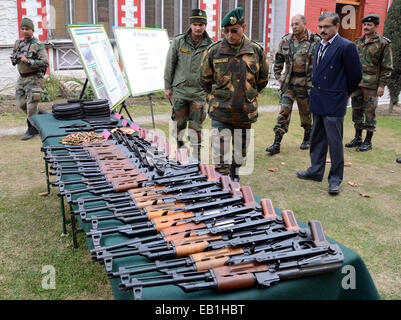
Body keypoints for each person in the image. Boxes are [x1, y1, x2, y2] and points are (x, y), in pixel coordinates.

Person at [296, 12, 362, 195]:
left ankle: (335, 179)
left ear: (337, 26)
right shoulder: (319, 45)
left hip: (334, 101)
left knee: (334, 143)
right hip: (318, 99)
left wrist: (343, 93)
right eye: (320, 27)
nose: (322, 30)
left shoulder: (346, 46)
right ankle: (315, 171)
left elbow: (356, 75)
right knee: (317, 139)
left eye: (326, 27)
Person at [200, 7, 269, 181]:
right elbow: (204, 80)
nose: (230, 35)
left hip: (245, 112)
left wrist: (248, 95)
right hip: (221, 112)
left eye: (234, 31)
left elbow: (262, 80)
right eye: (226, 31)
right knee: (219, 154)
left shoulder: (256, 51)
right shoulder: (213, 51)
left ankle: (235, 171)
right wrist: (218, 96)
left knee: (241, 152)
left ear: (244, 28)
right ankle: (223, 184)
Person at [266, 14, 320, 155]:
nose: (294, 27)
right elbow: (278, 60)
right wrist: (278, 76)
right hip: (289, 83)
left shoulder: (315, 40)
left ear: (304, 23)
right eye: (292, 24)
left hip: (306, 84)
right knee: (283, 112)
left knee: (306, 114)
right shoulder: (286, 40)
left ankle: (307, 138)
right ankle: (276, 142)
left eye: (297, 24)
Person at [164, 9, 213, 160]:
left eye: (201, 24)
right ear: (190, 25)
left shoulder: (210, 45)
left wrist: (210, 92)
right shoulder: (179, 41)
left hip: (198, 93)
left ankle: (197, 158)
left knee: (196, 127)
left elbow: (214, 71)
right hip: (180, 91)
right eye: (195, 24)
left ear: (205, 26)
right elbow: (170, 64)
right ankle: (179, 147)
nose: (198, 28)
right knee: (179, 124)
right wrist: (167, 86)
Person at [345, 14, 393, 152]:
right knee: (356, 111)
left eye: (369, 25)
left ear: (376, 26)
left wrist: (382, 85)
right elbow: (351, 64)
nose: (366, 27)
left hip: (372, 85)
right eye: (364, 25)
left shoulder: (383, 43)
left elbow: (387, 67)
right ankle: (358, 137)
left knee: (370, 113)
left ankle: (368, 141)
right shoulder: (357, 42)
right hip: (357, 84)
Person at [11, 17, 49, 141]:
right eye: (22, 29)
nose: (24, 31)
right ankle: (42, 115)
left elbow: (45, 61)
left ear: (32, 30)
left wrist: (29, 61)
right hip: (22, 79)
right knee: (21, 103)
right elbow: (14, 55)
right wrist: (14, 59)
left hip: (34, 79)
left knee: (32, 105)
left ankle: (32, 130)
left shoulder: (38, 45)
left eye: (27, 29)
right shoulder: (18, 43)